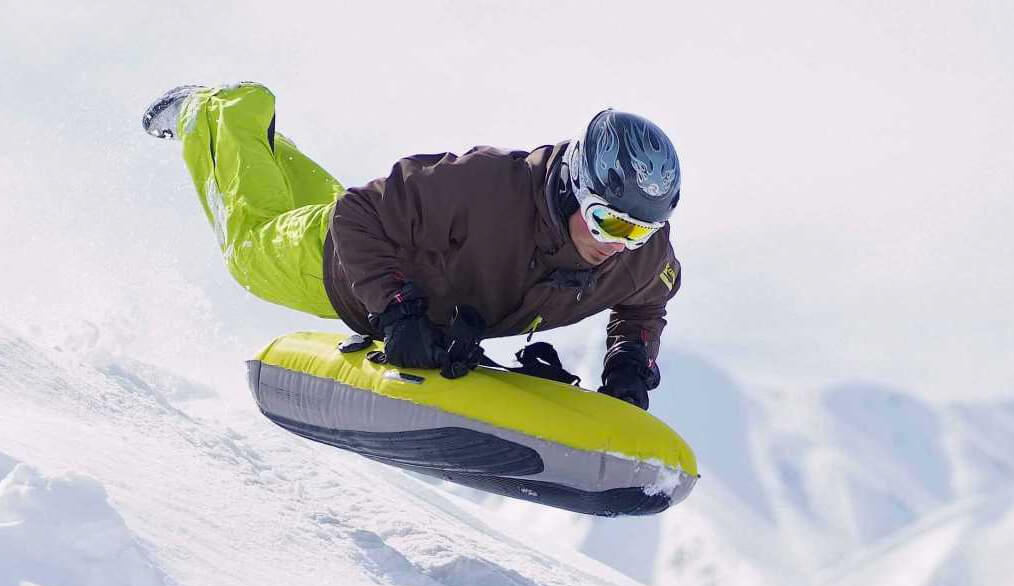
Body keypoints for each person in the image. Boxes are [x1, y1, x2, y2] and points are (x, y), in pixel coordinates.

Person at [142, 83, 682, 410]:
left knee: (321, 204)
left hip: (398, 241)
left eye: (639, 231)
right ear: (572, 187)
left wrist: (630, 359)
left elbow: (646, 300)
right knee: (250, 248)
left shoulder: (640, 254)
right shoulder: (486, 185)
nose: (620, 244)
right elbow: (357, 215)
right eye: (609, 222)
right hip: (339, 263)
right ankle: (217, 113)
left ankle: (263, 142)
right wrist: (400, 310)